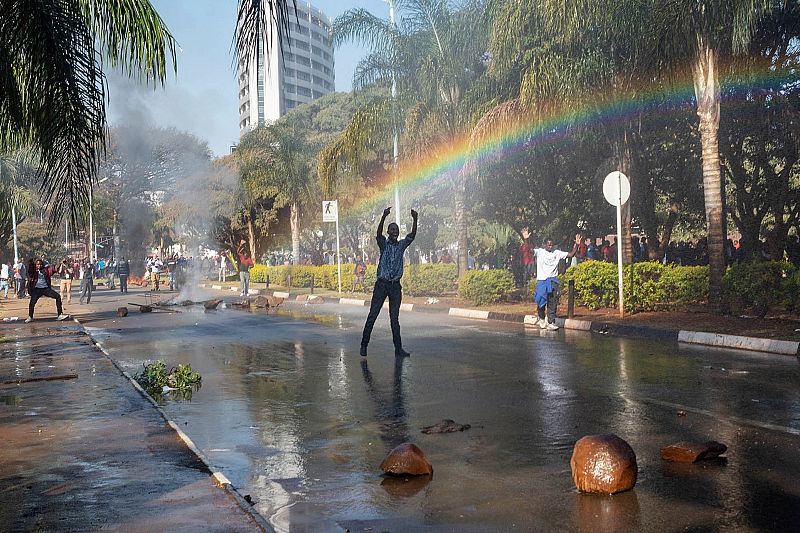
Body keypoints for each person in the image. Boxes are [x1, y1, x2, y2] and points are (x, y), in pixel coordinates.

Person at [360, 207, 418, 358]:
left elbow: (412, 236)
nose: (394, 232)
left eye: (396, 230)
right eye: (392, 229)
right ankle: (364, 345)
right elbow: (378, 234)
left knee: (394, 319)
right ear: (388, 232)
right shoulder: (383, 244)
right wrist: (384, 216)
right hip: (381, 285)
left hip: (394, 287)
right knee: (373, 315)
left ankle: (398, 349)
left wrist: (415, 219)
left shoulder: (401, 246)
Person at [523, 227, 579, 331]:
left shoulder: (557, 252)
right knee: (540, 301)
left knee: (552, 302)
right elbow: (528, 250)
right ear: (544, 245)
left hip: (553, 280)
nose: (550, 246)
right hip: (542, 281)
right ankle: (541, 318)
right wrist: (526, 238)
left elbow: (571, 254)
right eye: (548, 244)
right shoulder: (539, 252)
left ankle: (551, 322)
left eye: (551, 244)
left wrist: (577, 244)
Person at [25, 258, 69, 323]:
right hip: (37, 289)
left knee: (57, 296)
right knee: (32, 303)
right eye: (37, 264)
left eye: (40, 264)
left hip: (46, 289)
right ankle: (30, 317)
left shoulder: (46, 270)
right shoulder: (33, 271)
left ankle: (60, 315)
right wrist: (31, 263)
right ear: (35, 265)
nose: (39, 266)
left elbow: (54, 269)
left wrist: (59, 263)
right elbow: (29, 270)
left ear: (42, 265)